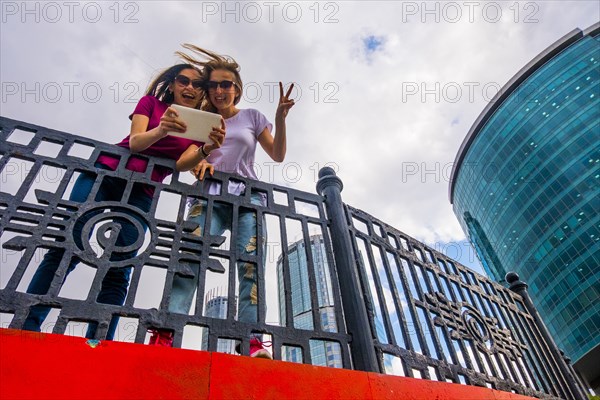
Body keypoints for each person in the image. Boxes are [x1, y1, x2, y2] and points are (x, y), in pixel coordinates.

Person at [23, 63, 225, 340]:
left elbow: (181, 164)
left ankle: (99, 338)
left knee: (121, 262)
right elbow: (136, 143)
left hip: (142, 191)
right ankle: (28, 325)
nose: (189, 87)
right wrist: (162, 130)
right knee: (68, 244)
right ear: (172, 83)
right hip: (104, 173)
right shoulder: (151, 104)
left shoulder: (199, 125)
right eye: (183, 80)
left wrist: (207, 149)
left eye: (197, 84)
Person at [148, 45, 295, 359]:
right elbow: (182, 162)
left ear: (236, 89)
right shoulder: (200, 120)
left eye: (225, 84)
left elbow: (279, 155)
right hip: (207, 196)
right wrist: (201, 156)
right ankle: (166, 332)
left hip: (248, 198)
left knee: (251, 267)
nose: (218, 90)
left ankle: (253, 342)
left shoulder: (253, 117)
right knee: (188, 260)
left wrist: (280, 118)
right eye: (213, 85)